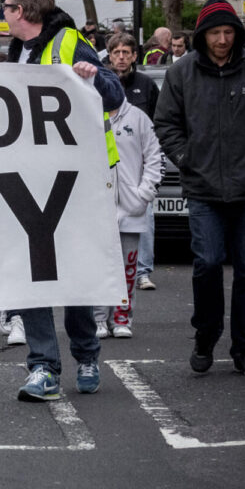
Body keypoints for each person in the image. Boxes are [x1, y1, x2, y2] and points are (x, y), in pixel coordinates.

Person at [4, 0, 125, 401]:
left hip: (77, 176)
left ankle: (86, 353)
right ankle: (43, 367)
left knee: (74, 272)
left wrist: (91, 76)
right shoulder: (14, 53)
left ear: (22, 12)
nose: (3, 13)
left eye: (6, 6)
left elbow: (114, 95)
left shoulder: (70, 41)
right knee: (31, 272)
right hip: (27, 177)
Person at [155, 0, 245, 377]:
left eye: (229, 32)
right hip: (202, 189)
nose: (222, 40)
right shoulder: (181, 73)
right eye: (215, 32)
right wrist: (186, 159)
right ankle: (205, 334)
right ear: (202, 35)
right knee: (208, 263)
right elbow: (165, 124)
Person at [96, 99, 161, 339]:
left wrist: (143, 194)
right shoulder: (90, 112)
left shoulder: (138, 117)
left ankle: (122, 318)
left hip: (130, 207)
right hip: (98, 206)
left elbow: (154, 156)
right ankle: (99, 318)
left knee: (127, 267)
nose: (121, 57)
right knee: (99, 267)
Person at [108, 34, 159, 119]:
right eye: (116, 52)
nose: (121, 57)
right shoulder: (101, 84)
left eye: (125, 52)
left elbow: (158, 118)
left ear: (134, 56)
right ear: (110, 57)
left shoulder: (147, 84)